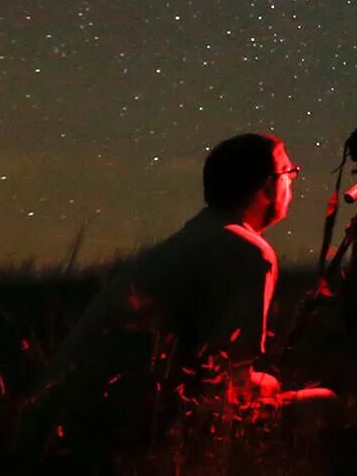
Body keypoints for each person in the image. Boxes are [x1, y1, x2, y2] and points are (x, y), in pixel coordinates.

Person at [23, 132, 333, 465]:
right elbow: (227, 384)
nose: (293, 184)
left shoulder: (200, 236)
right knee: (324, 406)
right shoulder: (247, 252)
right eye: (289, 173)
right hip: (113, 435)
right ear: (266, 186)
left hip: (60, 427)